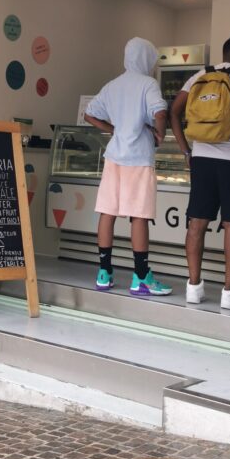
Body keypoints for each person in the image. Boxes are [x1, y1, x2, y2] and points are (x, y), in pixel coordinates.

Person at [170, 36, 230, 310]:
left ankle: (193, 288)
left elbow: (174, 112)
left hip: (201, 158)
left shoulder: (200, 75)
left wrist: (186, 151)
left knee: (196, 222)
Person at [84, 38, 172, 297]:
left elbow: (89, 113)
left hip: (114, 157)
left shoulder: (113, 85)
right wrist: (159, 133)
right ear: (145, 59)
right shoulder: (148, 84)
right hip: (138, 157)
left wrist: (114, 130)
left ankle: (104, 272)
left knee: (107, 213)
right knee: (139, 216)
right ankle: (141, 276)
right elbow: (160, 112)